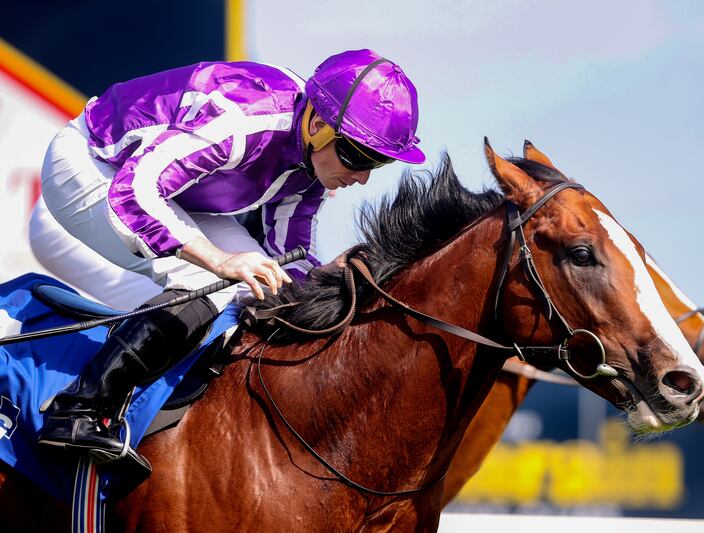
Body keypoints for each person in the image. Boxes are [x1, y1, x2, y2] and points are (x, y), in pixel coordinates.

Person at [34, 49, 425, 470]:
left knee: (265, 283)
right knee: (206, 277)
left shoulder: (309, 165)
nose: (363, 176)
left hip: (174, 196)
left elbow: (287, 259)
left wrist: (330, 283)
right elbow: (135, 192)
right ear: (316, 124)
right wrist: (218, 261)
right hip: (94, 166)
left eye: (378, 162)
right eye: (358, 157)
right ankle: (79, 409)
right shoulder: (245, 120)